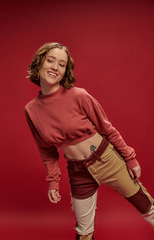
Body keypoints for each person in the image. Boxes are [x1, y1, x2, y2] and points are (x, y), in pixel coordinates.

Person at [25, 42, 154, 240]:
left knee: (148, 208)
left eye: (61, 64)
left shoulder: (79, 95)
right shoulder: (31, 110)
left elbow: (106, 128)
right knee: (84, 233)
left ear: (65, 71)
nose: (55, 67)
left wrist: (130, 157)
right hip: (78, 171)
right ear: (39, 63)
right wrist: (53, 181)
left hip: (107, 160)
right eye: (50, 60)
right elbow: (46, 150)